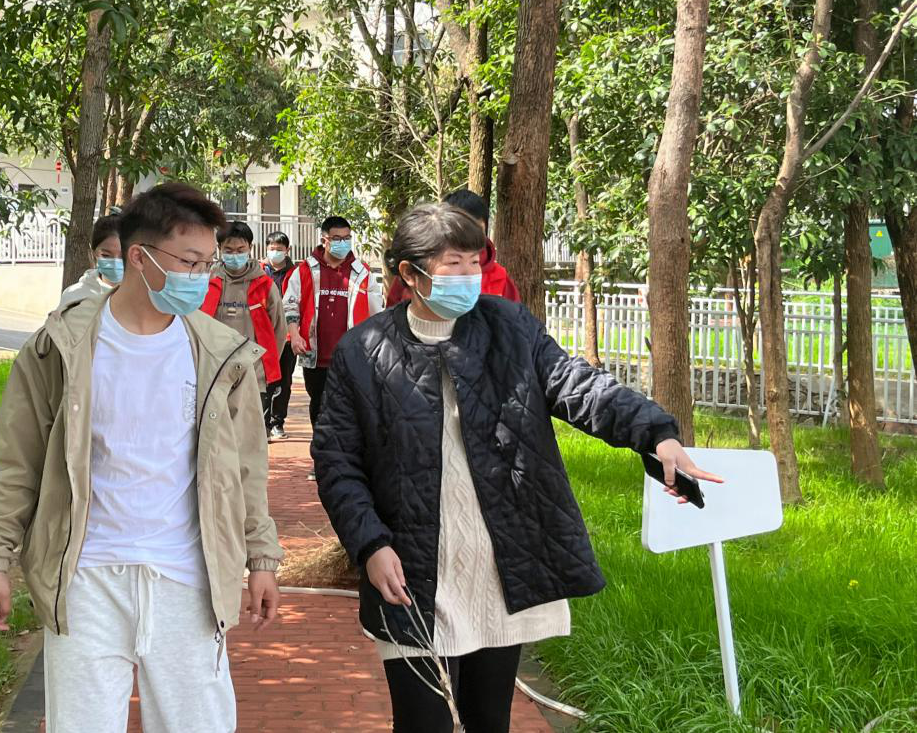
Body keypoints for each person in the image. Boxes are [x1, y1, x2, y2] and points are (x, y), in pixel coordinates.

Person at [312, 203, 722, 733]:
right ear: (410, 274)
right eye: (452, 264)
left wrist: (656, 433)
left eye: (473, 262)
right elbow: (337, 461)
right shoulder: (363, 351)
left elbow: (577, 385)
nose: (467, 276)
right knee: (422, 722)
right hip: (410, 566)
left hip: (499, 561)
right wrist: (370, 544)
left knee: (489, 718)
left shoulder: (508, 327)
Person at [0, 182, 282, 733]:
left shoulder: (220, 353)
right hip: (85, 579)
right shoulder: (60, 346)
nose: (201, 276)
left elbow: (246, 471)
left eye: (207, 263)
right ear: (140, 257)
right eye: (189, 262)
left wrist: (262, 559)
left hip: (188, 579)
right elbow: (16, 460)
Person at [283, 216, 384, 431]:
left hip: (353, 356)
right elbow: (290, 305)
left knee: (351, 408)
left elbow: (377, 314)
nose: (343, 243)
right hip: (316, 357)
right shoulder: (306, 270)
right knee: (319, 406)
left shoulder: (362, 272)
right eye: (337, 238)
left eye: (347, 238)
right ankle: (320, 447)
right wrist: (295, 335)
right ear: (324, 240)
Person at [200, 221, 287, 439]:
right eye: (228, 250)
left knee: (248, 436)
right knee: (215, 435)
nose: (234, 255)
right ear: (219, 249)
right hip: (212, 370)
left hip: (252, 373)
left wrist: (264, 365)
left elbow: (279, 329)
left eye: (240, 250)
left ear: (250, 248)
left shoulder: (264, 285)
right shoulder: (206, 281)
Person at [386, 188, 518, 306]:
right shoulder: (417, 271)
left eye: (476, 232)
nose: (468, 241)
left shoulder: (500, 278)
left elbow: (515, 320)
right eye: (460, 233)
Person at [262, 232, 298, 439]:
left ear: (287, 250)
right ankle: (263, 424)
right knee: (263, 380)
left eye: (279, 249)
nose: (275, 252)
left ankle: (277, 422)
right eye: (272, 249)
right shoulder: (259, 271)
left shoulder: (296, 273)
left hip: (287, 336)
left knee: (284, 381)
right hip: (262, 334)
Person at [58, 213, 124, 309]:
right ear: (93, 254)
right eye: (106, 255)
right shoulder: (74, 297)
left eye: (123, 256)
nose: (115, 262)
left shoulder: (143, 296)